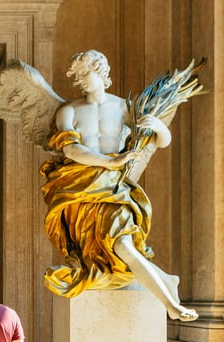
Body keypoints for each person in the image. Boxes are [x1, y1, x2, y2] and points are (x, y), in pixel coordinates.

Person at [42, 50, 198, 321]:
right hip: (80, 191)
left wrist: (160, 127)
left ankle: (171, 305)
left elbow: (160, 141)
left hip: (113, 191)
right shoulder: (68, 110)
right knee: (102, 251)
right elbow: (70, 150)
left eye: (85, 74)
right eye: (77, 76)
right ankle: (166, 283)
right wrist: (110, 162)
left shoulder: (124, 109)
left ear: (101, 71)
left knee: (124, 245)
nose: (81, 81)